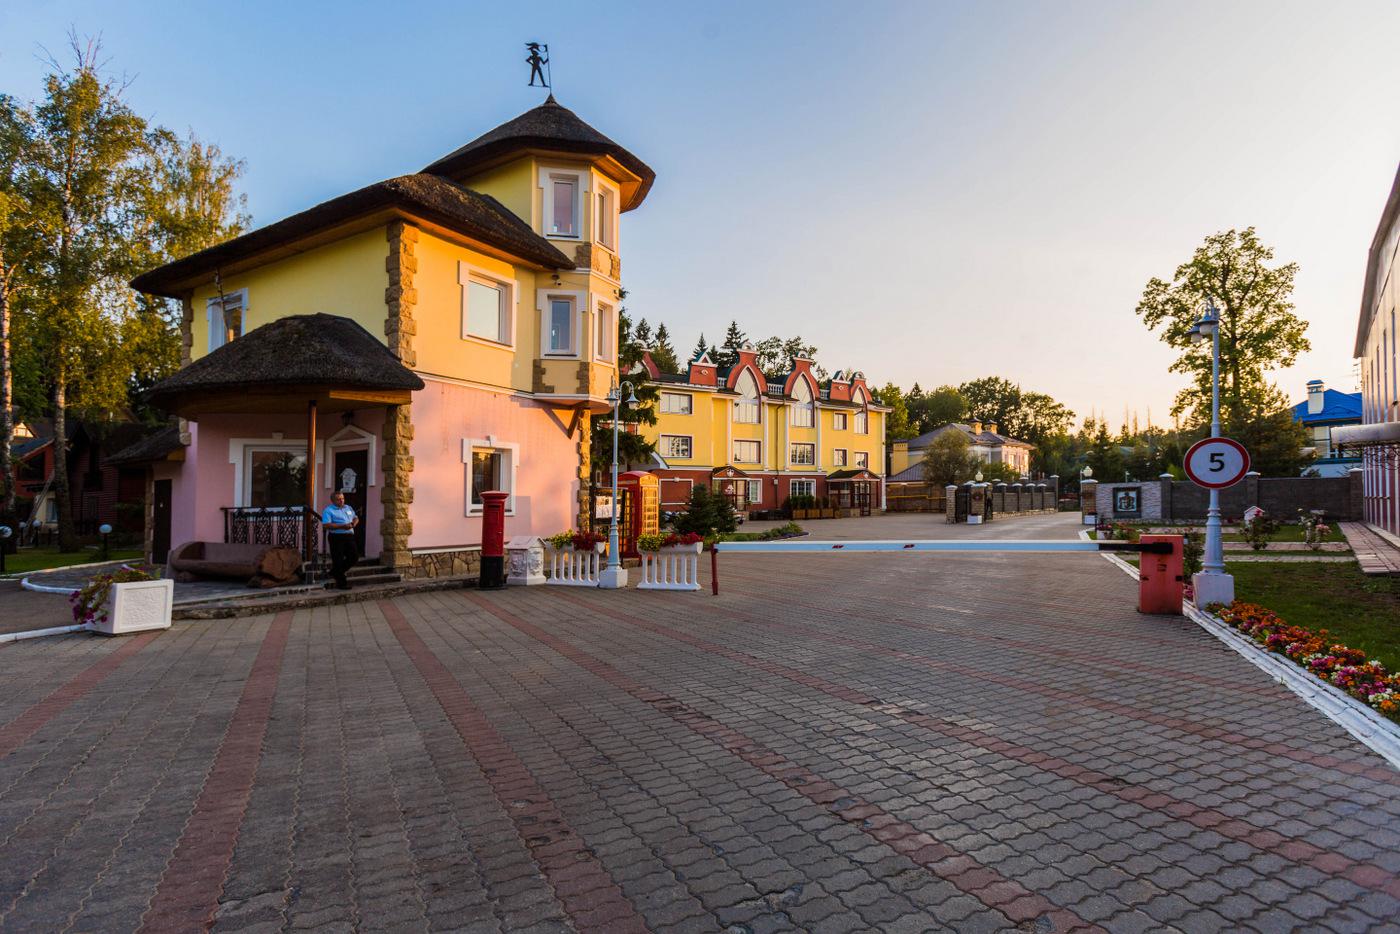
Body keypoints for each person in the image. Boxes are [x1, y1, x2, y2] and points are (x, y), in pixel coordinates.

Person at [321, 491, 359, 590]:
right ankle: (341, 583)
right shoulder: (328, 510)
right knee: (338, 560)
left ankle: (334, 572)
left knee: (354, 557)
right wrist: (342, 526)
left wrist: (353, 524)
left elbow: (356, 518)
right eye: (338, 499)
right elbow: (326, 525)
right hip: (336, 537)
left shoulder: (348, 507)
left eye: (342, 498)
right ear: (333, 501)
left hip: (349, 536)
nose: (341, 501)